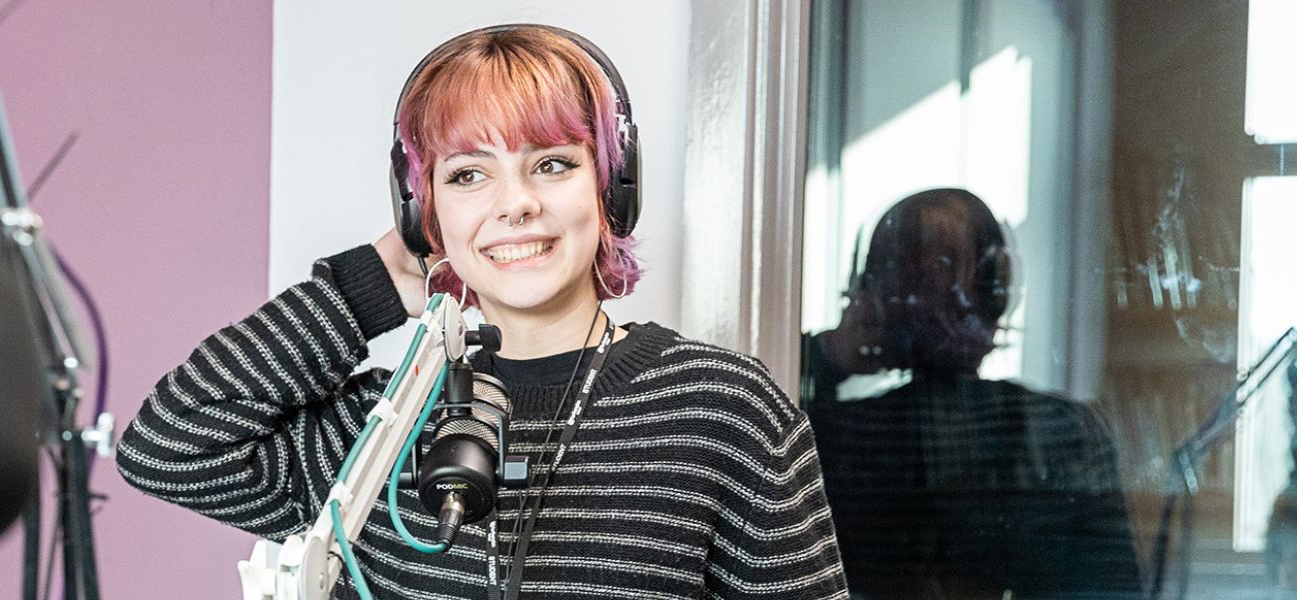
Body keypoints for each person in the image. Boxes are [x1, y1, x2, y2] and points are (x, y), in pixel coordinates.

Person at [117, 24, 849, 599]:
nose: (515, 203)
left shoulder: (724, 408)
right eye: (468, 175)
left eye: (553, 163)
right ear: (422, 213)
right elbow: (167, 445)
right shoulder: (377, 432)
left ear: (612, 187)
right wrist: (369, 285)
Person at [800, 188, 1142, 599]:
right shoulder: (1066, 431)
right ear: (996, 295)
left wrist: (830, 353)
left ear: (874, 299)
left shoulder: (828, 437)